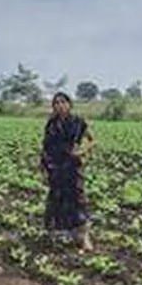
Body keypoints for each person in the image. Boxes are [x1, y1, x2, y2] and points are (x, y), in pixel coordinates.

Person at [40, 92, 95, 250]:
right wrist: (42, 168)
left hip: (72, 167)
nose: (59, 105)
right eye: (56, 103)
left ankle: (84, 237)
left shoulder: (77, 122)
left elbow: (92, 140)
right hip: (54, 167)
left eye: (63, 102)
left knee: (77, 201)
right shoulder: (51, 124)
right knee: (56, 201)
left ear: (69, 104)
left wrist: (82, 151)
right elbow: (45, 147)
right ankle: (57, 236)